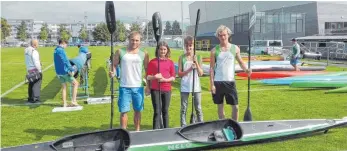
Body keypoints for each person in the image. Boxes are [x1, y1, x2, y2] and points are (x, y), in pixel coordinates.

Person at [210, 25, 252, 121]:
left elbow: (241, 62)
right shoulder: (214, 51)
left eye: (224, 35)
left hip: (230, 82)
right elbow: (211, 69)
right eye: (220, 35)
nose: (222, 37)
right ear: (218, 37)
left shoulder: (235, 48)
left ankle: (234, 125)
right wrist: (212, 84)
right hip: (218, 82)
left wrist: (246, 70)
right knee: (220, 107)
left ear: (228, 35)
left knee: (235, 107)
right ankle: (222, 125)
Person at [109, 31, 149, 131]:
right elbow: (114, 64)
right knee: (124, 111)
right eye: (132, 40)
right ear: (129, 40)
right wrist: (112, 72)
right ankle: (123, 132)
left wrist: (148, 86)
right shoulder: (120, 51)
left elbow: (148, 70)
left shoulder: (144, 54)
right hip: (124, 86)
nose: (134, 42)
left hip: (138, 87)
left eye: (137, 40)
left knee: (138, 111)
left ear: (140, 41)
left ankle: (137, 131)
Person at [146, 41, 175, 129]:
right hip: (155, 89)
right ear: (158, 50)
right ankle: (155, 130)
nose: (163, 51)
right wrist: (155, 77)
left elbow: (173, 77)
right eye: (161, 49)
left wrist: (165, 80)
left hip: (166, 89)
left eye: (164, 49)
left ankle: (166, 130)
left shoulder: (170, 62)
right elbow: (148, 77)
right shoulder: (153, 62)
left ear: (167, 50)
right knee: (157, 111)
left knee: (165, 111)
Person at [178, 35, 204, 127]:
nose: (189, 47)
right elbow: (179, 74)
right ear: (185, 46)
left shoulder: (198, 57)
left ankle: (200, 125)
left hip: (196, 86)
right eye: (187, 45)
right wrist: (189, 69)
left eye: (191, 45)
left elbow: (201, 73)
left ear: (193, 46)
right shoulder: (182, 58)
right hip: (185, 86)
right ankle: (183, 125)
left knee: (198, 108)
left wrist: (196, 62)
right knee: (184, 108)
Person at [54, 39, 79, 107]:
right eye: (66, 45)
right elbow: (65, 61)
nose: (66, 46)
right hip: (64, 72)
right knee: (76, 83)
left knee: (64, 87)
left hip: (59, 72)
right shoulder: (61, 50)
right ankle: (73, 101)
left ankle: (64, 103)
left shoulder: (55, 50)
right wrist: (71, 69)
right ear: (63, 43)